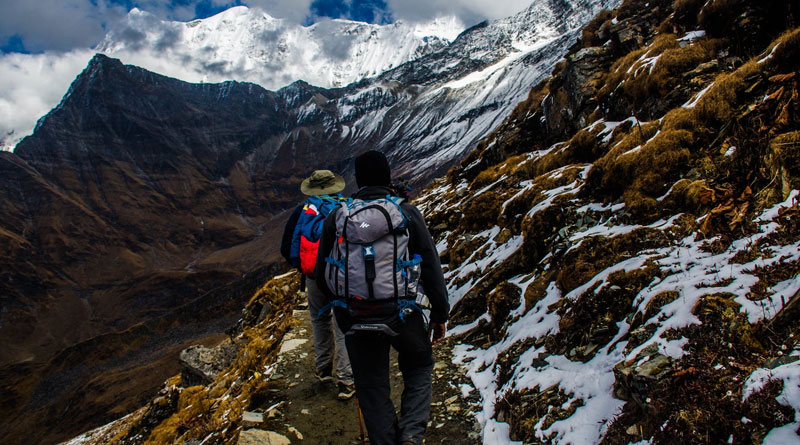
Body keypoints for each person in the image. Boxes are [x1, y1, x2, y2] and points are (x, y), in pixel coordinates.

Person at [315, 151, 449, 445]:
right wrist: (439, 314)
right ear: (388, 177)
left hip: (355, 315)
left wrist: (343, 310)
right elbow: (430, 265)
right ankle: (411, 435)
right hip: (402, 313)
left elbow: (322, 272)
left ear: (358, 180)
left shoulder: (338, 216)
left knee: (371, 386)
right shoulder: (407, 213)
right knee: (419, 366)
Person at [280, 169, 355, 401]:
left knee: (319, 319)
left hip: (314, 276)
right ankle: (346, 379)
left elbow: (286, 246)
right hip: (341, 276)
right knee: (342, 324)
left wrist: (303, 267)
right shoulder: (347, 208)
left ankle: (324, 370)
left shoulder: (303, 211)